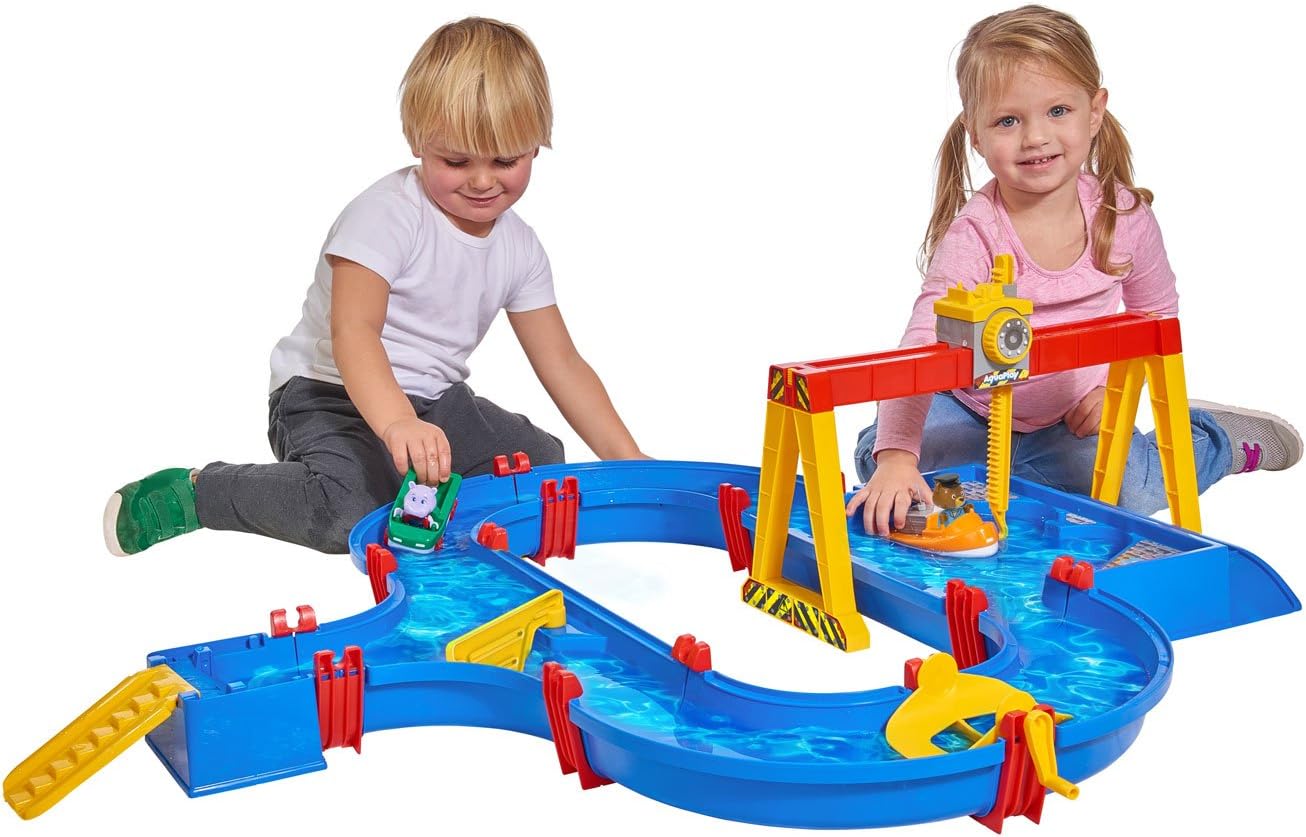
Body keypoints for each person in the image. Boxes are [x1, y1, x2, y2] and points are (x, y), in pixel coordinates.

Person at [104, 17, 645, 556]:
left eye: (506, 160)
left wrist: (631, 461)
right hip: (327, 392)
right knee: (346, 513)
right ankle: (201, 494)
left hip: (433, 404)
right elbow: (354, 332)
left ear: (537, 146)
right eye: (456, 160)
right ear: (417, 141)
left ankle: (439, 525)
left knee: (539, 466)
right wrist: (396, 422)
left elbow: (562, 362)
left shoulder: (520, 248)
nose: (483, 181)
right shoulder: (386, 216)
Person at [847, 5, 1300, 536]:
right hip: (972, 408)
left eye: (1058, 110)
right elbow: (923, 341)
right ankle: (956, 464)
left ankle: (1217, 439)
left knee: (1130, 490)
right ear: (975, 134)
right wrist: (897, 455)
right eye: (1008, 121)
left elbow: (1155, 319)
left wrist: (1110, 392)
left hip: (1069, 418)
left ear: (1095, 111)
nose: (1035, 137)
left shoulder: (1122, 217)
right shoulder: (976, 232)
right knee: (896, 471)